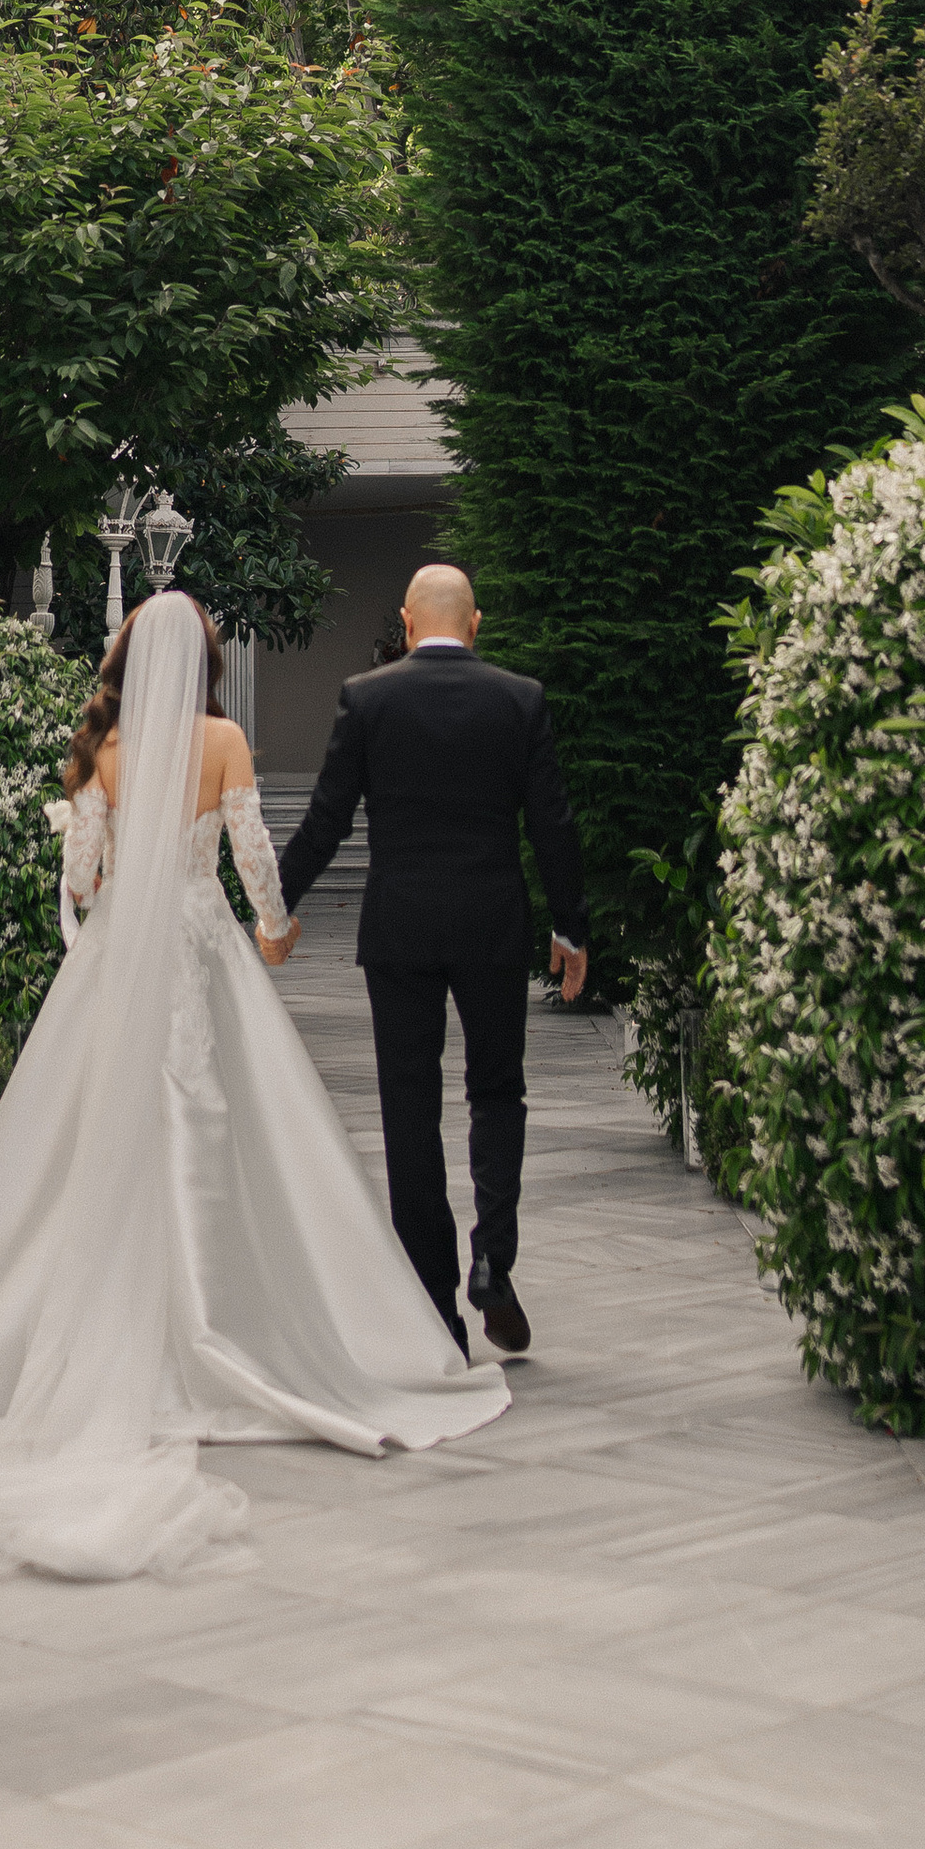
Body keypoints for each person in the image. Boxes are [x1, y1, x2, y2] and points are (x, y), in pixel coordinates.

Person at [0, 586, 506, 1579]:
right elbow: (254, 858)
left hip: (118, 962)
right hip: (202, 951)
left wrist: (94, 905)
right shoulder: (222, 741)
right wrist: (273, 930)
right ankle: (237, 1320)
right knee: (233, 1137)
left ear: (124, 659)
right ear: (206, 660)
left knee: (85, 1139)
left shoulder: (98, 753)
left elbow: (79, 883)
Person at [270, 563, 589, 1360]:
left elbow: (325, 822)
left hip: (402, 929)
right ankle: (493, 1258)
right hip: (492, 924)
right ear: (474, 622)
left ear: (407, 624)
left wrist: (272, 907)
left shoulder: (367, 699)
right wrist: (572, 931)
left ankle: (438, 1309)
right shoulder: (520, 700)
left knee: (409, 1114)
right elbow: (552, 826)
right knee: (497, 1091)